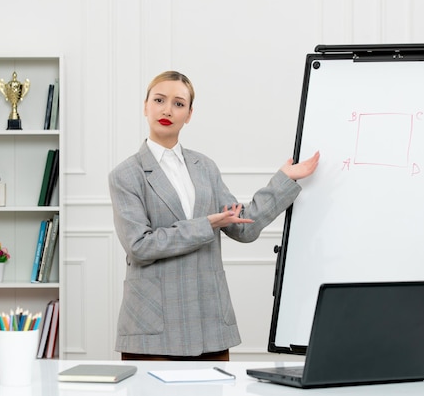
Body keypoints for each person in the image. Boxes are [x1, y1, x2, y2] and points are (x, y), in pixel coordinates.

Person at [108, 71, 320, 361]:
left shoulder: (204, 167)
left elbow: (242, 227)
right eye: (159, 100)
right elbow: (140, 245)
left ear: (189, 114)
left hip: (209, 322)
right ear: (146, 106)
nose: (168, 110)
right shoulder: (125, 175)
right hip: (152, 326)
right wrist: (206, 225)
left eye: (179, 104)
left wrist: (285, 179)